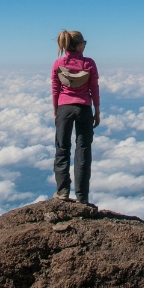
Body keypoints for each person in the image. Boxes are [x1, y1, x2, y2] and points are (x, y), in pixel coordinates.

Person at [51, 29, 100, 204]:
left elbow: (55, 89)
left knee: (62, 150)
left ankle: (63, 192)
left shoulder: (58, 64)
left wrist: (56, 111)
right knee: (84, 151)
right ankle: (82, 197)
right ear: (79, 45)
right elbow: (94, 88)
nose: (85, 46)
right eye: (84, 43)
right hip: (84, 109)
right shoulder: (89, 64)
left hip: (64, 108)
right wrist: (97, 111)